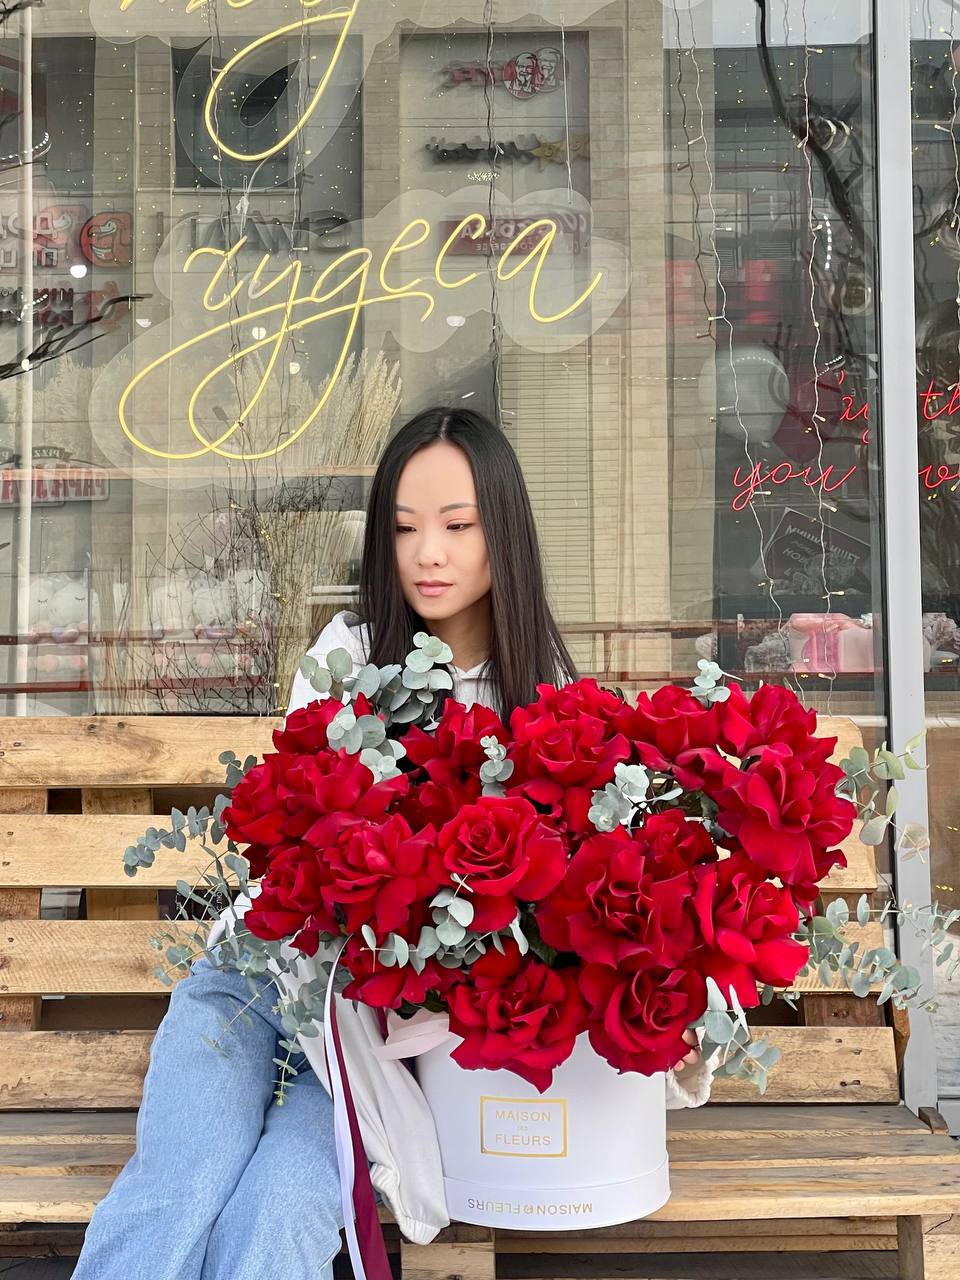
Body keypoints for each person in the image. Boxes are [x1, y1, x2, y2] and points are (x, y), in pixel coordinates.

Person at [72, 406, 713, 1280]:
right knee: (176, 1190)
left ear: (503, 532)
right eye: (406, 529)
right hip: (256, 982)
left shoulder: (549, 698)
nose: (427, 554)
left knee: (281, 1211)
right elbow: (296, 843)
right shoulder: (349, 653)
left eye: (457, 526)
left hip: (378, 1040)